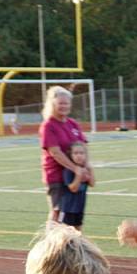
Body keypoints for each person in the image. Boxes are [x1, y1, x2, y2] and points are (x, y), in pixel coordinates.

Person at [40, 85, 90, 224]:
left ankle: (72, 239)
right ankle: (50, 237)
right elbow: (55, 152)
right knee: (57, 212)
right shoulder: (48, 125)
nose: (64, 106)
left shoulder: (73, 124)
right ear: (53, 104)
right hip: (56, 176)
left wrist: (86, 168)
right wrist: (76, 169)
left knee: (74, 213)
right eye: (60, 103)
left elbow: (84, 147)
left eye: (66, 103)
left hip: (75, 176)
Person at [57, 141, 93, 231]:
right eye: (75, 153)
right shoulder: (68, 170)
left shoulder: (84, 169)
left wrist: (90, 170)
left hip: (79, 208)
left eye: (81, 153)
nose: (79, 156)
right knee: (65, 232)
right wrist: (78, 175)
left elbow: (92, 183)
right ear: (71, 155)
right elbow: (73, 188)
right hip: (68, 209)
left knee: (78, 232)